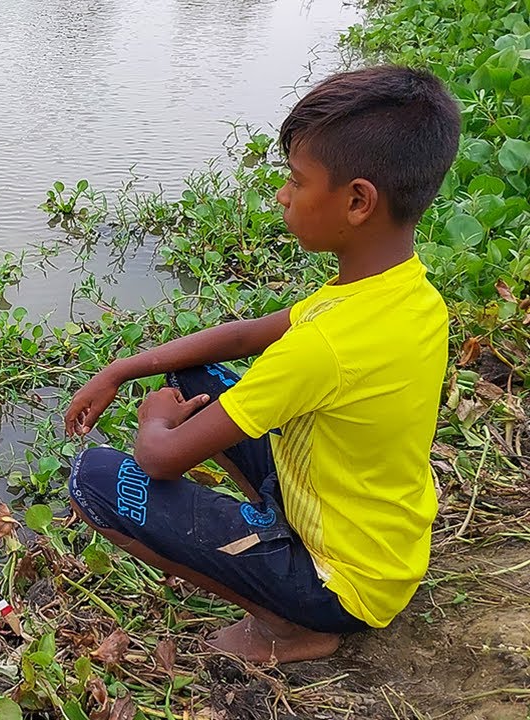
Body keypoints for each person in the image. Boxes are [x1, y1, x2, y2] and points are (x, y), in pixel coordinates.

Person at [62, 65, 461, 663]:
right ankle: (282, 531)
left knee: (94, 482)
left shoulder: (324, 348)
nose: (281, 195)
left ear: (357, 201)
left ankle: (291, 623)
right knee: (193, 377)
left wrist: (153, 417)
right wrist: (123, 367)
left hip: (342, 589)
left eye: (296, 182)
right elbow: (248, 335)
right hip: (383, 548)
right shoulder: (405, 293)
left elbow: (160, 456)